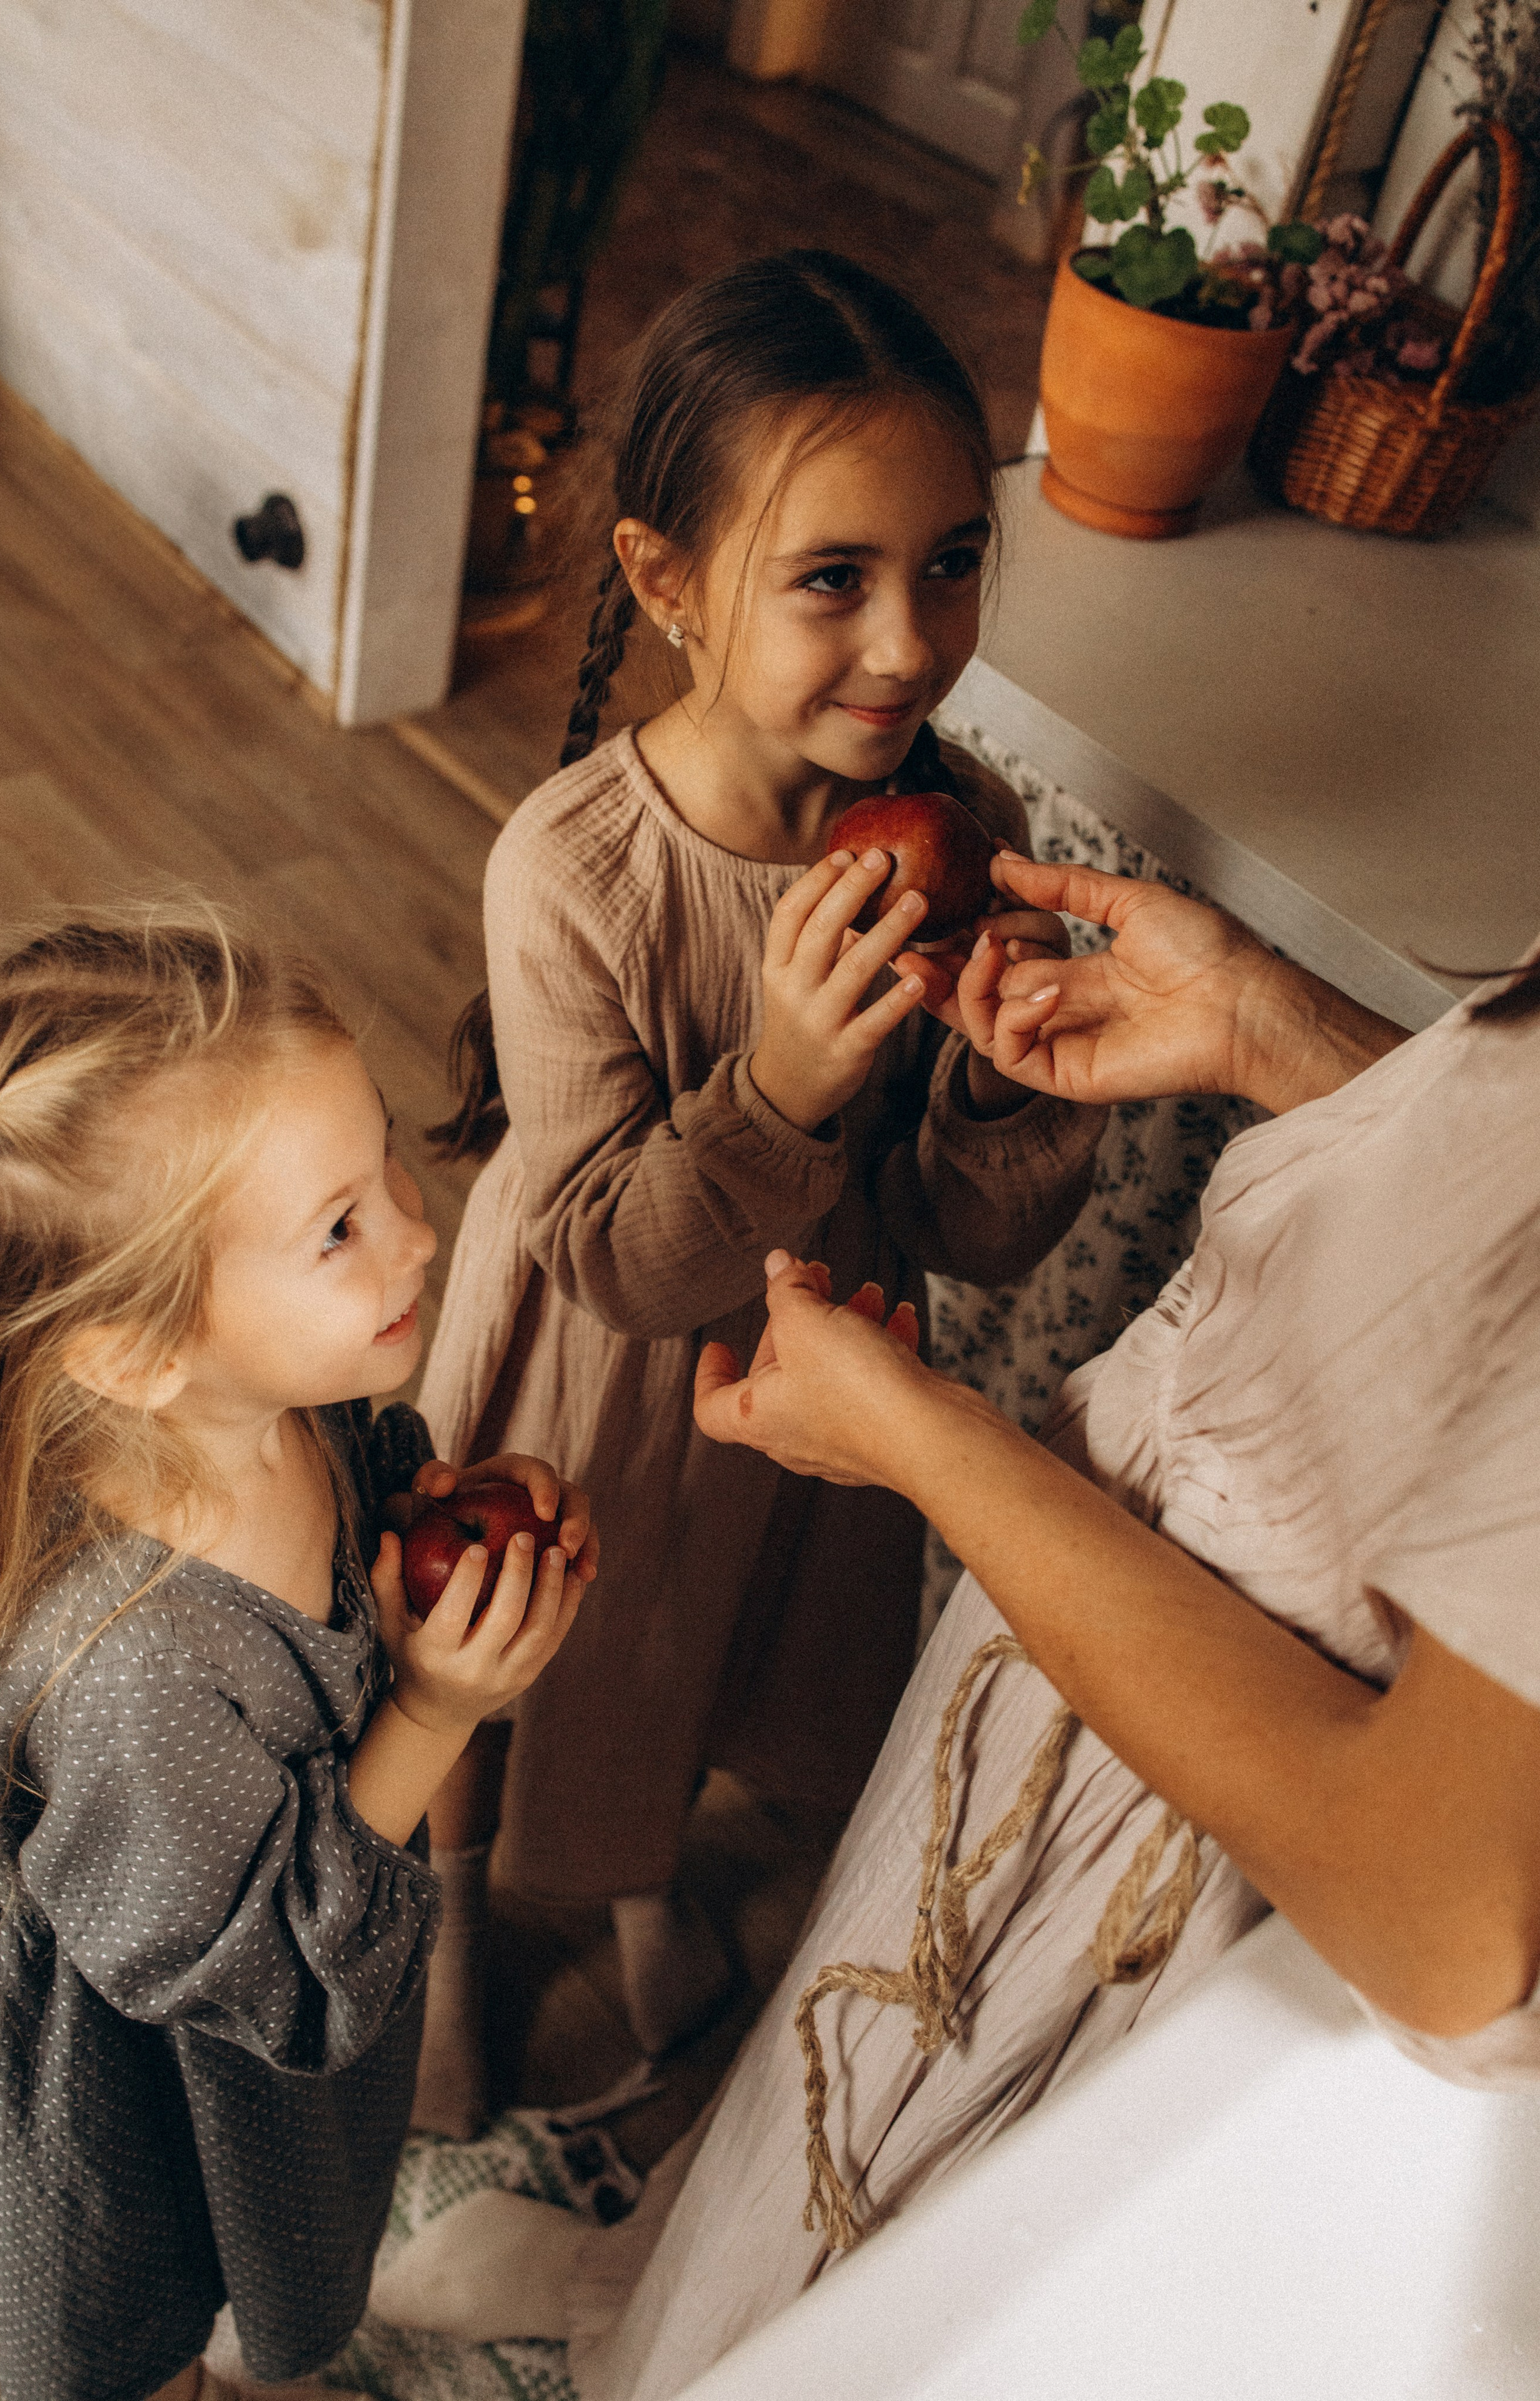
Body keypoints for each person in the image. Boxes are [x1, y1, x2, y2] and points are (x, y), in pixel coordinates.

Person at [560, 858, 1540, 2400]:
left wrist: (924, 1442)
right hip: (1111, 1668)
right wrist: (1261, 1023)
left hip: (1210, 1859)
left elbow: (1442, 1919)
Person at [415, 249, 1109, 2100]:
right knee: (526, 1647)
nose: (910, 642)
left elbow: (975, 1232)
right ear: (666, 583)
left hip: (823, 1355)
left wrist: (1017, 1077)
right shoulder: (573, 872)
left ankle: (640, 1888)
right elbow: (622, 1269)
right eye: (833, 580)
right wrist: (787, 1079)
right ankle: (452, 1936)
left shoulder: (975, 828)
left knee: (714, 1649)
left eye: (951, 562)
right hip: (604, 1360)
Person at [0, 907, 596, 2401]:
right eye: (339, 1229)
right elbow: (287, 1983)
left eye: (385, 1171)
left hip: (283, 2032)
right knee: (155, 2314)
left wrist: (439, 1528)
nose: (420, 1232)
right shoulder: (129, 1670)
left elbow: (351, 1552)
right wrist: (436, 1706)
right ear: (137, 1350)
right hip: (163, 2084)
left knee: (283, 2239)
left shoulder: (270, 1416)